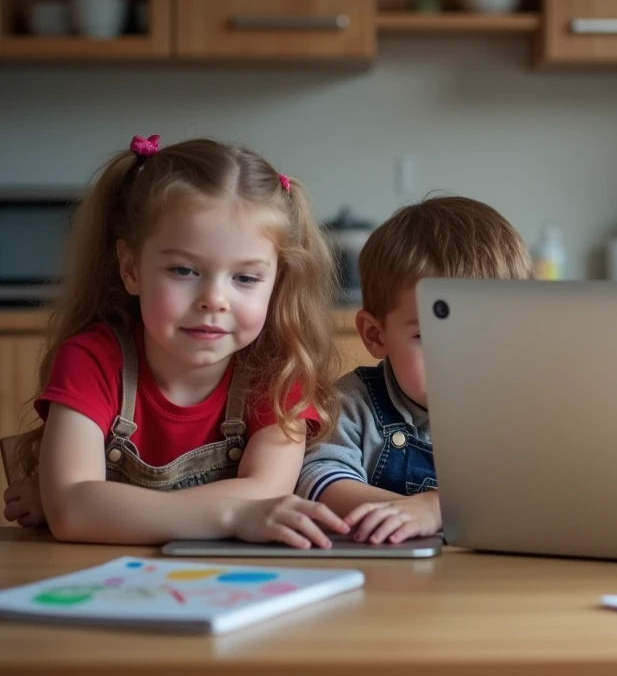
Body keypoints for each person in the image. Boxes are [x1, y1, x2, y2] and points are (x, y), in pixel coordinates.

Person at [1, 136, 350, 548]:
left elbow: (266, 494)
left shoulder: (279, 374)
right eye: (184, 270)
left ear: (278, 283)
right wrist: (234, 512)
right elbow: (74, 513)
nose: (214, 301)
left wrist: (101, 506)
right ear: (130, 268)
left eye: (245, 278)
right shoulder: (91, 360)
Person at [297, 196, 532, 544]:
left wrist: (438, 510)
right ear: (376, 335)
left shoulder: (527, 414)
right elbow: (320, 484)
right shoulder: (352, 404)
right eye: (430, 336)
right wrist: (421, 510)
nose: (463, 359)